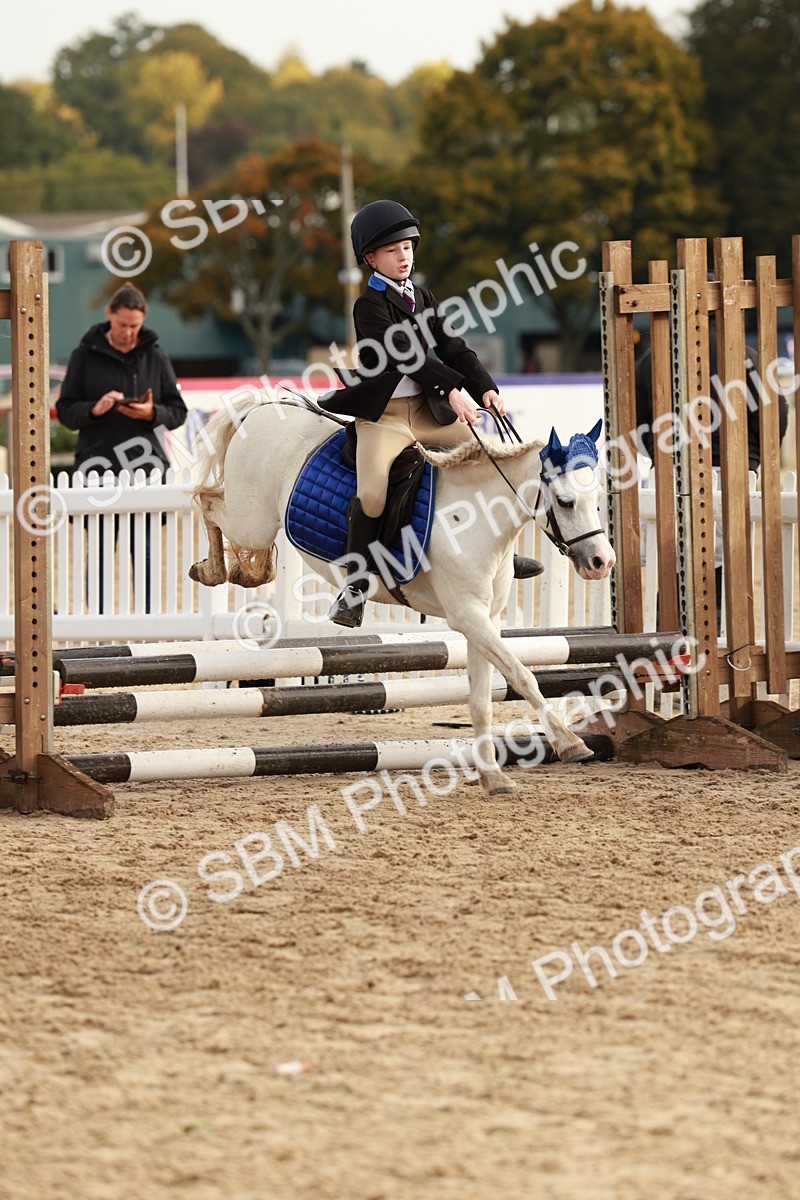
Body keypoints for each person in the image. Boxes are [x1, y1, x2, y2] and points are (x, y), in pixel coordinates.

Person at [319, 199, 543, 628]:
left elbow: (454, 348)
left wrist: (485, 387)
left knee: (488, 459)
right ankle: (354, 587)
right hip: (385, 417)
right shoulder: (368, 306)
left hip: (424, 411)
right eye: (392, 251)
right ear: (370, 258)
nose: (403, 257)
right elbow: (407, 356)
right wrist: (453, 389)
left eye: (407, 248)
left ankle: (500, 552)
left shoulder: (424, 297)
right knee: (371, 493)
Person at [56, 284, 188, 612]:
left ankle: (147, 621)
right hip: (97, 469)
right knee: (100, 550)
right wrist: (95, 409)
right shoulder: (83, 355)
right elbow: (66, 410)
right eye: (122, 325)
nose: (129, 332)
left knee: (144, 551)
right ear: (109, 316)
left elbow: (178, 410)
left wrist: (152, 413)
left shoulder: (155, 355)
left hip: (145, 470)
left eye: (134, 326)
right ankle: (98, 623)